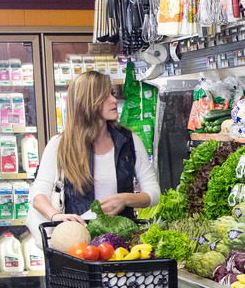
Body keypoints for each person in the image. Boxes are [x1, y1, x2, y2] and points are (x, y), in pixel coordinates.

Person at [29, 70, 160, 236]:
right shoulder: (60, 144)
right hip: (76, 241)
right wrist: (56, 216)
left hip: (119, 242)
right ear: (87, 102)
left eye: (112, 93)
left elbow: (153, 193)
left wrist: (124, 199)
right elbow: (38, 195)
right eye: (105, 96)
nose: (114, 100)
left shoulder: (129, 141)